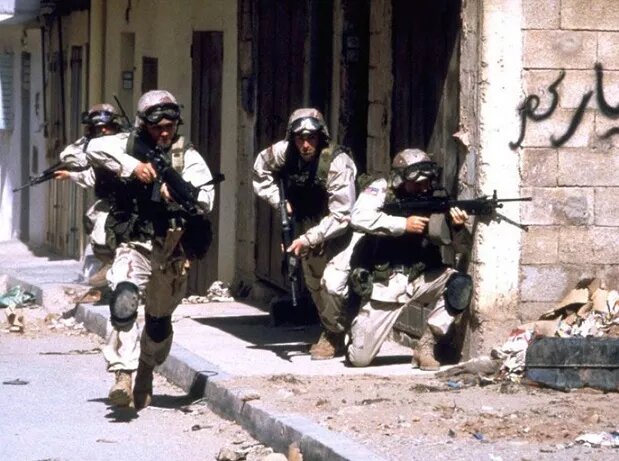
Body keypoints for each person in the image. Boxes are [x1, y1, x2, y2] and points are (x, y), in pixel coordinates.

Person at [86, 90, 215, 409]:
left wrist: (178, 193)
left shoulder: (187, 157)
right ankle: (123, 374)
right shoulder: (127, 144)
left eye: (169, 127)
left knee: (158, 323)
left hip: (171, 248)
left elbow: (205, 199)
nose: (164, 133)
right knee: (124, 299)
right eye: (157, 127)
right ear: (144, 125)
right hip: (136, 242)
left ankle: (145, 369)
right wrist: (133, 167)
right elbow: (94, 148)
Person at [347, 148, 472, 370]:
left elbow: (462, 247)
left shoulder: (435, 198)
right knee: (359, 359)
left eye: (427, 182)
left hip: (423, 276)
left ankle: (427, 345)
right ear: (399, 179)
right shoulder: (381, 190)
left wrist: (458, 227)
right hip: (386, 283)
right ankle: (354, 328)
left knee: (460, 284)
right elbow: (357, 218)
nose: (423, 188)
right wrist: (403, 225)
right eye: (417, 184)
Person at [253, 108, 358, 360]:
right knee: (314, 283)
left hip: (340, 229)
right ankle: (332, 330)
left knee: (333, 284)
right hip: (309, 225)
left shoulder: (337, 162)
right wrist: (280, 201)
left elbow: (342, 215)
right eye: (300, 138)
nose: (306, 145)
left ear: (321, 137)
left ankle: (337, 333)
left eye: (311, 138)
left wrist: (309, 238)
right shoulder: (284, 151)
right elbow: (260, 170)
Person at [53, 103, 124, 287]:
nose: (104, 131)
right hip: (111, 200)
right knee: (91, 219)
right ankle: (112, 270)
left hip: (128, 204)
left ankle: (115, 271)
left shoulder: (121, 142)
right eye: (98, 128)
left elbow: (72, 157)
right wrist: (70, 175)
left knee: (102, 238)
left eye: (106, 127)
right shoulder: (96, 148)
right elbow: (92, 173)